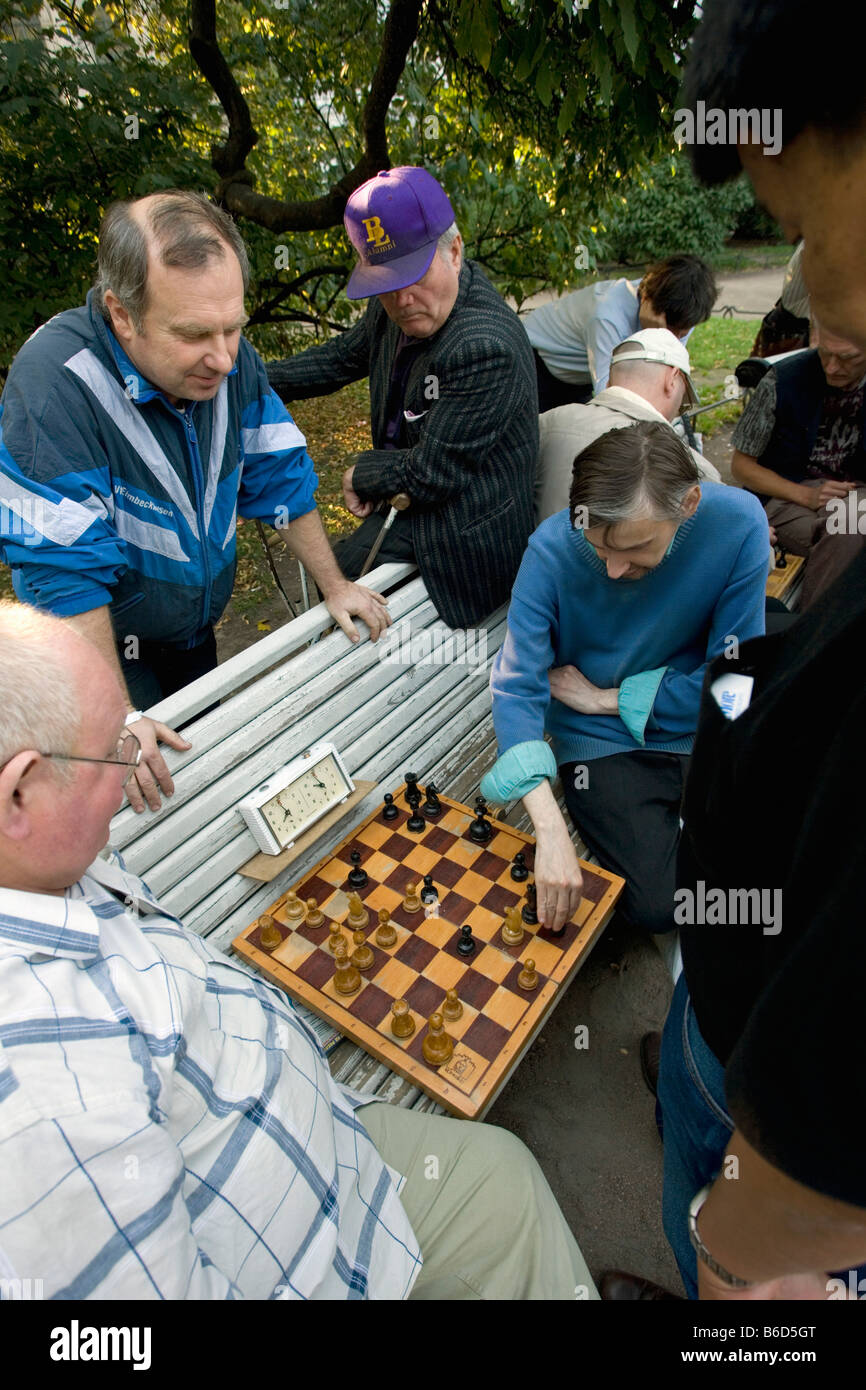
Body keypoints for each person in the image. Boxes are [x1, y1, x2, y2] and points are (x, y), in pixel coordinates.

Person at [0, 600, 596, 1301]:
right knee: (510, 1191)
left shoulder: (48, 863)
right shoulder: (43, 1105)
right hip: (328, 1252)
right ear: (19, 793)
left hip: (329, 1126)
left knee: (506, 1168)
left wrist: (117, 726)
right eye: (115, 750)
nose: (136, 768)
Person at [632, 0, 866, 1305]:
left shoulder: (723, 539)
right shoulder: (785, 395)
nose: (806, 279)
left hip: (768, 1137)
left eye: (800, 216)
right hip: (724, 1001)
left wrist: (740, 1248)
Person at [0, 191, 390, 816]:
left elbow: (278, 477)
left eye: (233, 327)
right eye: (193, 335)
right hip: (101, 647)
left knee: (206, 772)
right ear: (120, 314)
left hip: (192, 630)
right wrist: (119, 715)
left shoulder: (229, 360)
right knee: (135, 799)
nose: (225, 358)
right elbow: (63, 572)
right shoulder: (55, 386)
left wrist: (335, 585)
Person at [479, 422, 768, 983]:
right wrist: (550, 832)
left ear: (688, 504)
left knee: (782, 859)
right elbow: (517, 686)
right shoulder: (552, 548)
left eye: (634, 548)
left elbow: (735, 685)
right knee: (658, 904)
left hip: (699, 724)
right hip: (601, 747)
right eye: (599, 546)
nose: (613, 570)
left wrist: (608, 698)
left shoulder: (738, 524)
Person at [267, 167, 538, 629]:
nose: (402, 299)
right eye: (386, 283)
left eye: (413, 274)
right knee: (338, 583)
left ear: (453, 252)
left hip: (467, 523)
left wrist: (362, 473)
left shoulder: (484, 346)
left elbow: (434, 474)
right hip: (415, 496)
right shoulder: (396, 301)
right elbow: (342, 357)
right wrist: (253, 380)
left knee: (344, 573)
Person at [731, 318, 866, 606]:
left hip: (855, 496)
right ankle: (815, 633)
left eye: (846, 358)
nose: (831, 367)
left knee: (851, 524)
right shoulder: (784, 379)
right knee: (850, 533)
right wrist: (806, 495)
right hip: (787, 496)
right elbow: (741, 466)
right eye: (824, 353)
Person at [536, 328, 721, 522]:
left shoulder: (546, 423)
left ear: (608, 382)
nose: (678, 411)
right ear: (672, 380)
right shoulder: (695, 469)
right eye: (684, 400)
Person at [523, 255, 717, 411]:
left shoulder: (681, 312)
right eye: (672, 331)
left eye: (683, 333)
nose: (676, 338)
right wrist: (654, 337)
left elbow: (669, 381)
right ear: (649, 302)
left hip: (580, 374)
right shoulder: (607, 315)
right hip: (538, 362)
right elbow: (611, 398)